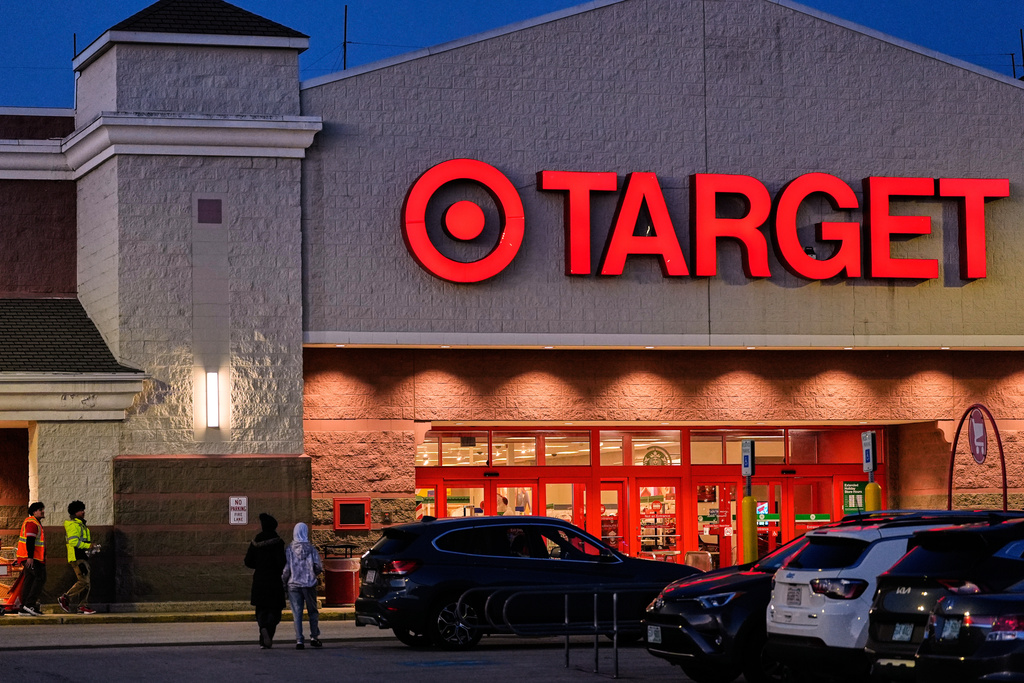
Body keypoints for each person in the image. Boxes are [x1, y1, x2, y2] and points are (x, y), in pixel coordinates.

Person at [244, 513, 286, 649]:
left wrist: (260, 565)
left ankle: (263, 633)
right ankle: (268, 632)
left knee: (261, 610)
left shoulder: (256, 541)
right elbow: (282, 562)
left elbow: (248, 561)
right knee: (274, 610)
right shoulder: (278, 542)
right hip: (274, 580)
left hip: (260, 579)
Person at [282, 522, 323, 650]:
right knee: (313, 611)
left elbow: (286, 570)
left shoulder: (289, 550)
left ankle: (299, 640)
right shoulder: (312, 549)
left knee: (297, 613)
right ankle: (314, 637)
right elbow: (318, 566)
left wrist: (284, 582)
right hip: (309, 584)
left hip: (293, 584)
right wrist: (313, 574)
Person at [57, 500, 98, 615]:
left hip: (82, 557)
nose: (83, 512)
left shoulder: (81, 525)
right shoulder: (73, 525)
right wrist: (88, 545)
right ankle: (65, 598)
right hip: (77, 558)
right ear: (75, 512)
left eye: (83, 509)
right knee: (84, 581)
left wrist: (91, 548)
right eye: (81, 510)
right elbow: (74, 542)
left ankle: (82, 606)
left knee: (87, 583)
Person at [15, 502, 46, 616]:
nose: (42, 511)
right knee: (40, 578)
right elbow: (30, 541)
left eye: (42, 509)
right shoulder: (32, 523)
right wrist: (30, 557)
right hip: (33, 558)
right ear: (34, 512)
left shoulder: (33, 522)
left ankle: (24, 607)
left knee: (29, 580)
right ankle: (30, 604)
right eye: (39, 509)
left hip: (29, 557)